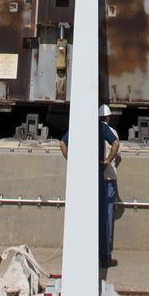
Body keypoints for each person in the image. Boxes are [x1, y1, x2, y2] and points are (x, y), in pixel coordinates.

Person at [60, 107, 120, 268]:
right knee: (105, 218)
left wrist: (72, 162)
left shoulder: (80, 126)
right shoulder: (108, 129)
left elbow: (62, 144)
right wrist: (107, 161)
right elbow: (116, 143)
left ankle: (82, 255)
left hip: (84, 178)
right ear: (108, 117)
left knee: (83, 217)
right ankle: (105, 256)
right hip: (106, 178)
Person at [99, 104, 121, 258]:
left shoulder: (94, 130)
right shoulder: (111, 131)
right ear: (108, 117)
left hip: (97, 177)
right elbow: (116, 147)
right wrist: (108, 161)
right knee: (107, 214)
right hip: (109, 177)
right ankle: (106, 253)